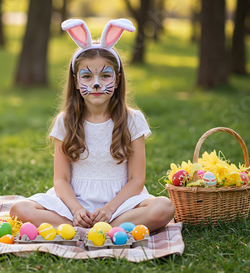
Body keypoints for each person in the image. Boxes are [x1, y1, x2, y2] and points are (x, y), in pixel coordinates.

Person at [10, 19, 175, 232]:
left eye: (105, 75)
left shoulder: (133, 120)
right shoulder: (66, 121)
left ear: (116, 80)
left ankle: (101, 228)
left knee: (164, 208)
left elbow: (136, 179)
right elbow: (60, 179)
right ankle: (81, 227)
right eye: (87, 76)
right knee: (19, 208)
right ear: (76, 82)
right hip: (74, 202)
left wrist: (109, 209)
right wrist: (77, 210)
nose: (96, 84)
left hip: (120, 204)